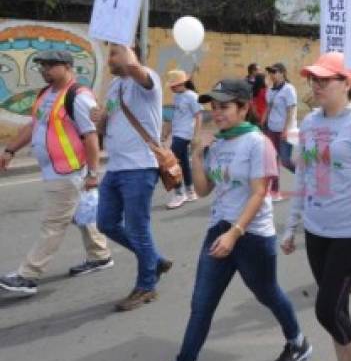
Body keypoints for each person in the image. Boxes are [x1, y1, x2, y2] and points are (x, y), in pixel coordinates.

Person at [139, 79, 309, 361]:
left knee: (268, 293)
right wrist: (197, 156)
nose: (216, 113)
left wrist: (236, 233)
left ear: (243, 108)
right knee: (201, 303)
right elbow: (204, 191)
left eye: (224, 107)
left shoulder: (258, 144)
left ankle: (298, 342)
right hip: (220, 231)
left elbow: (260, 192)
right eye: (213, 107)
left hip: (252, 235)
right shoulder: (217, 143)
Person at [280, 53, 351, 361]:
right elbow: (304, 177)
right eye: (314, 79)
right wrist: (292, 225)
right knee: (338, 308)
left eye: (325, 80)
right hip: (316, 229)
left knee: (326, 309)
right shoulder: (309, 125)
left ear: (347, 82)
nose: (317, 86)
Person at [0, 49, 113, 297]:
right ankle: (100, 255)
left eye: (50, 65)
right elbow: (34, 126)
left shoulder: (78, 97)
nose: (44, 69)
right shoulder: (46, 94)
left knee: (53, 223)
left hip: (68, 172)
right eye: (42, 65)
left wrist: (93, 173)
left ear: (67, 67)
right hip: (55, 170)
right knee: (79, 214)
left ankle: (28, 275)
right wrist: (10, 150)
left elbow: (91, 138)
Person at [92, 43, 171, 312]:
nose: (109, 59)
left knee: (138, 229)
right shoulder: (115, 86)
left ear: (130, 51)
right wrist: (100, 119)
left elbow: (135, 69)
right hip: (115, 168)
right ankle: (155, 260)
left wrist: (125, 45)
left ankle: (147, 286)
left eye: (114, 53)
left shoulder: (147, 79)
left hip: (140, 168)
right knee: (105, 223)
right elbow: (107, 124)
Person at [163, 70, 203, 209]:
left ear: (182, 84)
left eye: (174, 85)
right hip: (177, 132)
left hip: (185, 133)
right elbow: (174, 115)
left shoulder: (192, 96)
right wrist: (167, 132)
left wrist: (196, 135)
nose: (172, 88)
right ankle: (190, 191)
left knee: (171, 162)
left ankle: (179, 193)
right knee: (184, 162)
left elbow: (199, 116)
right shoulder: (177, 96)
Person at [261, 62, 297, 202]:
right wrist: (262, 123)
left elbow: (291, 110)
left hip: (285, 130)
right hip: (271, 129)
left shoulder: (289, 89)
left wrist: (286, 129)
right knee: (272, 161)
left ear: (283, 73)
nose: (272, 74)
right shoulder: (270, 90)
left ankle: (305, 177)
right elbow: (269, 108)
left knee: (286, 161)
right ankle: (274, 191)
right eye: (270, 72)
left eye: (274, 71)